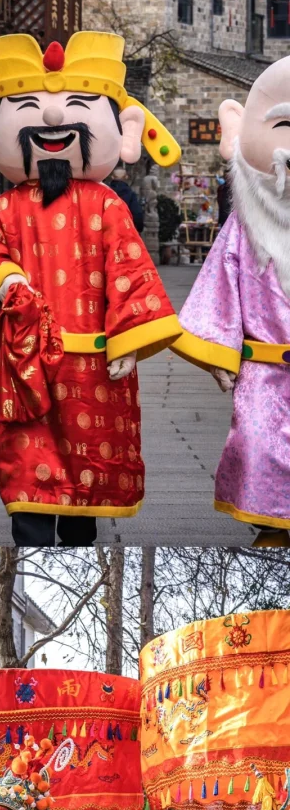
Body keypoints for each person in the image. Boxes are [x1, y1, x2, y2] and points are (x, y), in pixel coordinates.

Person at [0, 32, 182, 546]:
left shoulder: (108, 206)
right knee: (28, 483)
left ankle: (76, 538)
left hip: (93, 365)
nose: (53, 118)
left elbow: (130, 273)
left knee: (85, 485)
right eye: (30, 109)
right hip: (27, 364)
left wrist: (129, 342)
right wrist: (6, 279)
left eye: (74, 107)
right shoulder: (2, 211)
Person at [173, 57, 290, 544]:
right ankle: (272, 531)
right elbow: (220, 286)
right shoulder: (244, 229)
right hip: (265, 372)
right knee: (259, 451)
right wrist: (219, 356)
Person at [106, 164, 145, 232]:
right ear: (126, 177)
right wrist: (138, 228)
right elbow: (137, 214)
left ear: (112, 177)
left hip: (108, 230)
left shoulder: (105, 193)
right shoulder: (131, 194)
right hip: (125, 230)